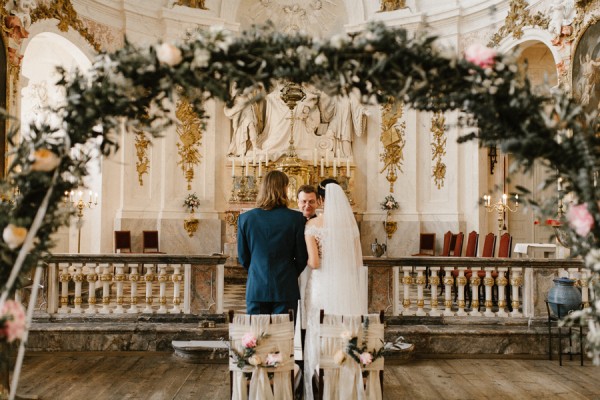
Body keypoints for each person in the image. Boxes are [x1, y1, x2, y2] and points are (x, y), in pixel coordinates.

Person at [302, 178, 367, 399]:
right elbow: (358, 263)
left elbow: (315, 262)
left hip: (322, 284)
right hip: (345, 283)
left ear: (320, 199)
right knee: (344, 326)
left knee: (319, 328)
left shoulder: (312, 225)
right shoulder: (351, 225)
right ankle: (345, 381)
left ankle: (321, 380)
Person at [237, 170, 308, 316]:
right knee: (283, 335)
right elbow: (301, 257)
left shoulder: (246, 219)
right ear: (284, 189)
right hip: (286, 287)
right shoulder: (296, 218)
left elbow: (243, 258)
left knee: (257, 335)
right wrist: (289, 272)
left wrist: (257, 270)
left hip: (256, 286)